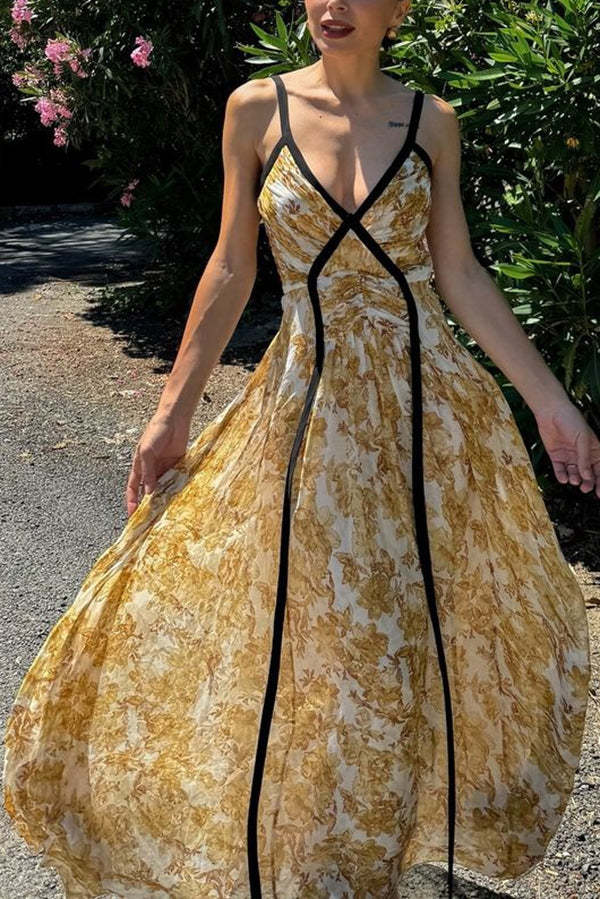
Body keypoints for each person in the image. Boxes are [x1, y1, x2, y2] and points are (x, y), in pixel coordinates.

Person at [3, 1, 596, 897]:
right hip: (306, 408)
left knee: (403, 634)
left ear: (399, 9)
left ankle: (371, 848)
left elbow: (459, 272)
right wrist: (171, 413)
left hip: (427, 415)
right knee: (311, 629)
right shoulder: (256, 109)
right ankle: (310, 850)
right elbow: (232, 266)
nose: (333, 7)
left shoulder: (433, 121)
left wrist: (551, 402)